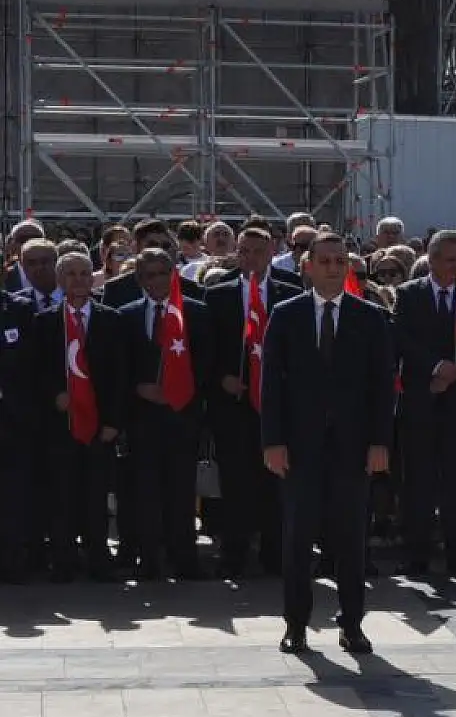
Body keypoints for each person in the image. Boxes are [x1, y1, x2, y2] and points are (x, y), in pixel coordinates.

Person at [260, 233, 395, 655]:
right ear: (308, 266)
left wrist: (380, 442)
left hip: (353, 448)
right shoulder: (286, 315)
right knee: (297, 539)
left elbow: (382, 385)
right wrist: (273, 441)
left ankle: (352, 624)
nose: (333, 268)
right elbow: (271, 384)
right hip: (300, 447)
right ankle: (296, 624)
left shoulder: (370, 317)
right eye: (324, 261)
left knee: (351, 540)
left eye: (340, 260)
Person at [393, 229, 456, 577]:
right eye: (450, 260)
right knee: (418, 480)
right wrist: (435, 368)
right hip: (421, 400)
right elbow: (402, 339)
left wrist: (453, 373)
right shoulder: (409, 295)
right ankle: (417, 554)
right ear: (432, 260)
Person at [205, 226, 302, 579]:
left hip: (277, 404)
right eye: (243, 251)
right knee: (235, 480)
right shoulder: (217, 294)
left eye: (257, 252)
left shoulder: (291, 292)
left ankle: (275, 553)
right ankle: (234, 554)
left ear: (272, 252)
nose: (250, 259)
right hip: (233, 402)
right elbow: (206, 348)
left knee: (275, 480)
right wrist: (221, 377)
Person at [118, 249, 213, 580]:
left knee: (182, 492)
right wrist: (138, 388)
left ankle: (185, 558)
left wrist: (180, 389)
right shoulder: (126, 315)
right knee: (145, 492)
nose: (157, 281)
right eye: (150, 275)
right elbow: (118, 366)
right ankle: (148, 559)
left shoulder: (196, 312)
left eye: (163, 273)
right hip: (142, 420)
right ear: (140, 280)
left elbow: (206, 363)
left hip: (182, 417)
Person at [36, 250, 127, 582]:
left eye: (84, 273)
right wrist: (53, 395)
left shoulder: (111, 319)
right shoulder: (44, 322)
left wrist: (113, 422)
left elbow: (120, 376)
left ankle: (98, 558)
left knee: (95, 495)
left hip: (99, 426)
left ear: (93, 278)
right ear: (60, 280)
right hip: (61, 425)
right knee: (62, 495)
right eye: (71, 274)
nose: (78, 280)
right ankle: (63, 561)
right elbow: (36, 370)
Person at [0, 287, 37, 582]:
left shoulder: (21, 309)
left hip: (13, 419)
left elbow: (33, 362)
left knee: (13, 494)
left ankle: (12, 562)